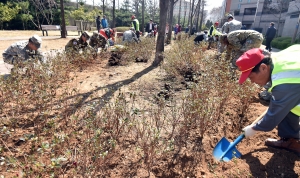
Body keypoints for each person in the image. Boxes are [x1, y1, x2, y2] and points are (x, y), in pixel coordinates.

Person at [238, 45, 300, 156]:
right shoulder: (277, 60)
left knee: (282, 107)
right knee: (287, 106)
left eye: (251, 77)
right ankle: (292, 141)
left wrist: (253, 128)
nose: (251, 82)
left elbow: (272, 118)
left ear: (263, 68)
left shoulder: (284, 83)